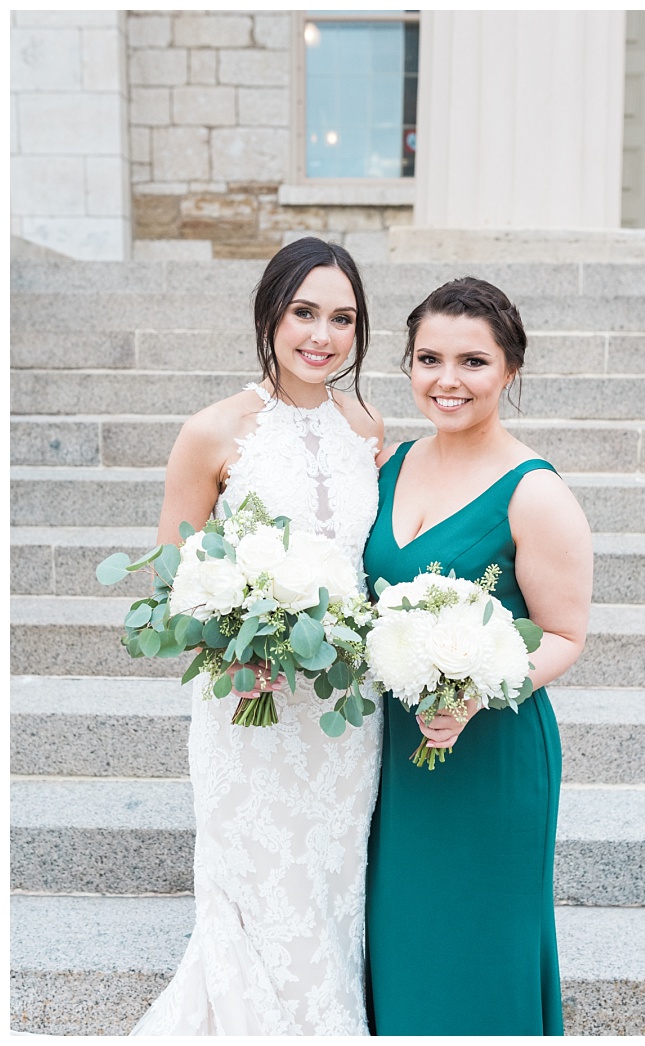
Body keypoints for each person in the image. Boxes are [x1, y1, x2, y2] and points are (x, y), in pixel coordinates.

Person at [133, 238, 385, 1034]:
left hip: (345, 710)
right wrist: (229, 653)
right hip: (251, 701)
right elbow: (177, 582)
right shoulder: (211, 431)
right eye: (305, 312)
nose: (323, 334)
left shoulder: (367, 428)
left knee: (330, 884)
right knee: (258, 883)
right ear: (269, 314)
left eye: (342, 318)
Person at [362, 277, 592, 1035]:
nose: (447, 381)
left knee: (484, 945)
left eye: (473, 362)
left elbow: (563, 637)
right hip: (398, 749)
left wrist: (473, 695)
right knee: (405, 939)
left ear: (509, 371)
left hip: (491, 747)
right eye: (429, 359)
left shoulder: (536, 493)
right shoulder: (387, 468)